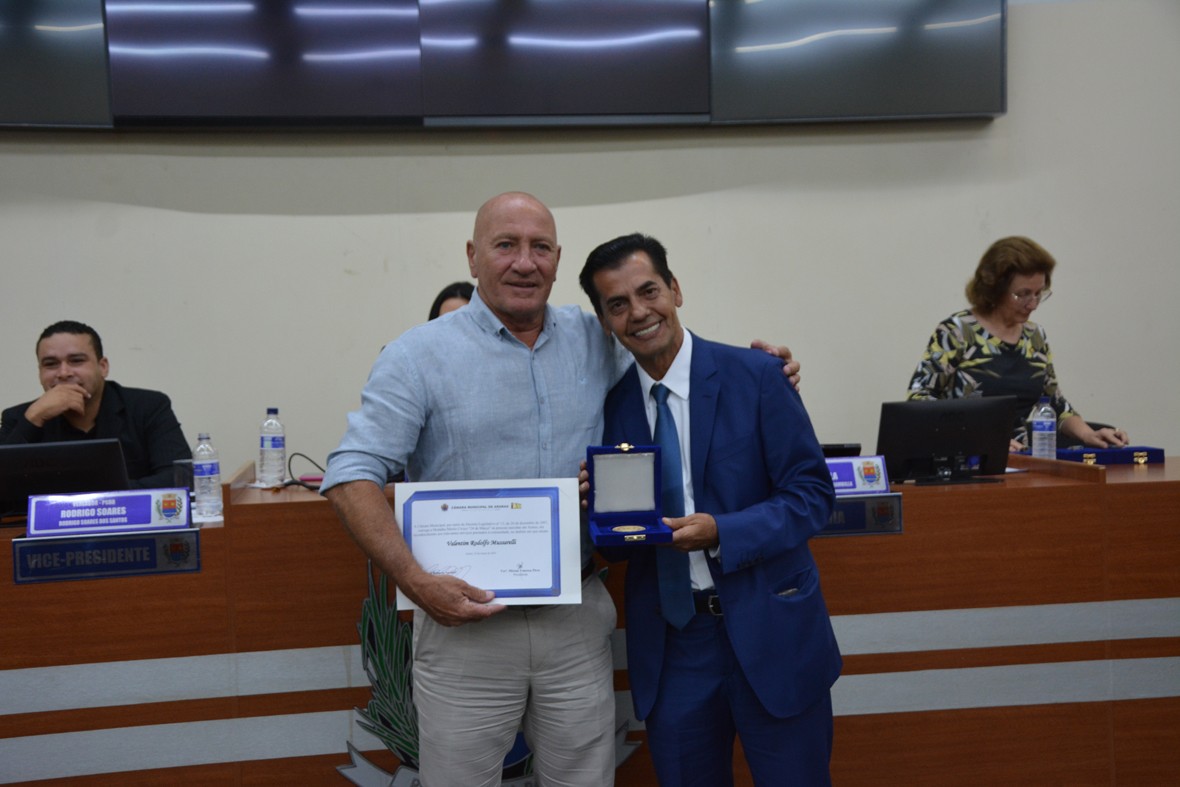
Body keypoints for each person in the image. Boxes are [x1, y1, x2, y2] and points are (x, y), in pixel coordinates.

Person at [321, 192, 801, 787]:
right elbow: (350, 476)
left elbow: (672, 363)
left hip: (575, 620)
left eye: (540, 247)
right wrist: (416, 582)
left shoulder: (596, 337)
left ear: (556, 258)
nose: (525, 262)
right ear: (473, 256)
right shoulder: (417, 356)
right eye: (506, 245)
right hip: (464, 630)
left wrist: (761, 369)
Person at [579, 233, 841, 786]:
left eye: (649, 291)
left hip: (771, 629)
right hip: (674, 646)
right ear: (604, 321)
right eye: (618, 304)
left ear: (675, 289)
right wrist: (594, 510)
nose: (638, 312)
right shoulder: (608, 409)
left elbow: (812, 495)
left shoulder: (758, 376)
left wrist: (722, 531)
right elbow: (613, 549)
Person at [906, 236, 1129, 452]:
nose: (1033, 304)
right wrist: (979, 437)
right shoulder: (957, 331)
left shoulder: (1034, 337)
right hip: (965, 458)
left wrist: (1089, 435)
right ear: (995, 288)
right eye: (1023, 294)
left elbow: (1055, 403)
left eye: (1039, 293)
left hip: (1021, 458)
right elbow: (920, 399)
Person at [0, 320, 192, 489]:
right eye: (50, 364)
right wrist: (33, 419)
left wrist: (91, 497)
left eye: (76, 361)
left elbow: (180, 478)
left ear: (103, 367)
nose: (64, 373)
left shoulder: (148, 406)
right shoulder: (20, 417)